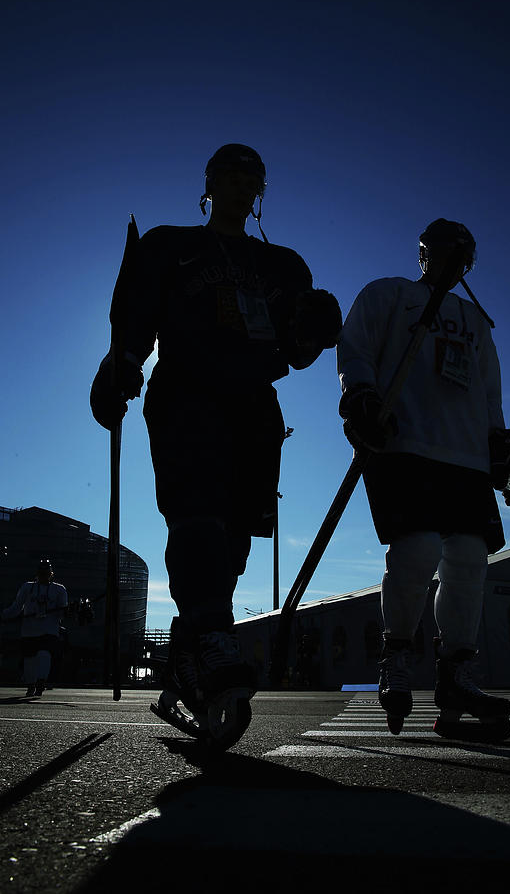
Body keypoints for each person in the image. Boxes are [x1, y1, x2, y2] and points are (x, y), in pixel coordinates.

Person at [91, 143, 342, 747]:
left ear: (261, 191)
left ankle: (189, 649)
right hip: (188, 392)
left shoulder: (285, 266)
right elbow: (137, 313)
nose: (240, 184)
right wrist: (122, 363)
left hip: (255, 402)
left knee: (233, 539)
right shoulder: (170, 246)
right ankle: (211, 635)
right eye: (229, 175)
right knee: (197, 512)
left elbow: (295, 347)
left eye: (251, 177)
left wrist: (313, 333)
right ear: (209, 184)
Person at [337, 218, 510, 742]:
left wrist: (503, 447)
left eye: (460, 256)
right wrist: (360, 394)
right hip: (403, 444)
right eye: (443, 253)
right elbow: (354, 347)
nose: (451, 264)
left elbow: (489, 394)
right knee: (418, 549)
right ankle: (396, 655)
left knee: (469, 560)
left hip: (465, 457)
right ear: (424, 254)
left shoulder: (476, 319)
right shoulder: (389, 295)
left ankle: (456, 674)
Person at [1, 559, 68, 697]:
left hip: (48, 631)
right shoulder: (27, 587)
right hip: (29, 631)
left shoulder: (59, 589)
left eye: (46, 572)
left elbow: (63, 612)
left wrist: (67, 611)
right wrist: (1, 616)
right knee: (29, 659)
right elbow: (16, 607)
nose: (44, 575)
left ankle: (40, 683)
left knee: (44, 654)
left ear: (51, 574)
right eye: (41, 572)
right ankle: (31, 685)